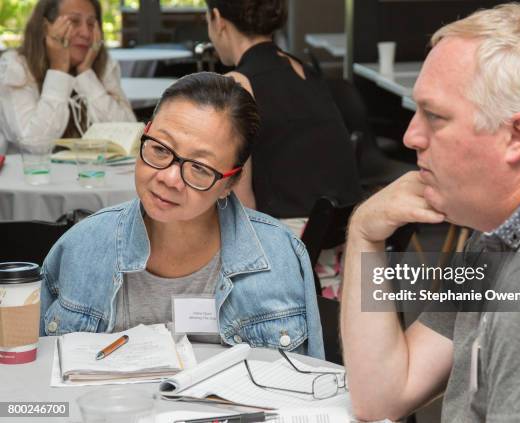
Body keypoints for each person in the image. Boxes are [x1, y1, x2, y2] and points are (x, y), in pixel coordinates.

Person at [341, 3, 520, 422]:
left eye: (434, 116)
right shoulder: (500, 237)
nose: (412, 135)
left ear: (516, 135)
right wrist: (364, 235)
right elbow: (385, 392)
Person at [40, 72, 324, 359]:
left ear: (230, 183)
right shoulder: (80, 248)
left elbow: (311, 387)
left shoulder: (280, 258)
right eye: (160, 149)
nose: (170, 178)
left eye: (199, 168)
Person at [205, 0, 362, 220]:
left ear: (218, 20)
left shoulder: (237, 85)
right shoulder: (302, 69)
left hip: (291, 237)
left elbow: (242, 206)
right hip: (341, 227)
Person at [0, 0, 135, 154]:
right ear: (46, 28)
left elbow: (129, 136)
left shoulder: (103, 66)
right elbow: (35, 144)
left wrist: (86, 75)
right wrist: (59, 70)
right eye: (74, 21)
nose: (86, 33)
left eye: (91, 24)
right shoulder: (16, 66)